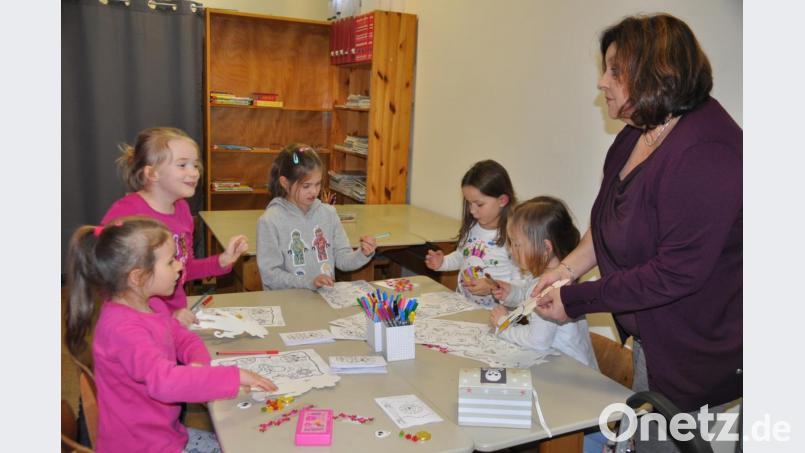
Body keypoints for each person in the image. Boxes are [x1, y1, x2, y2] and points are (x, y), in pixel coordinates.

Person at [532, 13, 742, 450]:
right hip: (653, 337)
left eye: (613, 70)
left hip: (694, 348)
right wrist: (567, 269)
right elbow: (608, 221)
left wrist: (574, 300)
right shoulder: (639, 132)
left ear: (654, 72)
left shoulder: (708, 151)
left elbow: (676, 273)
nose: (601, 82)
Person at [65, 217, 277, 453]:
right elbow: (164, 382)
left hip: (167, 434)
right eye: (170, 262)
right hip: (141, 447)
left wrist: (199, 364)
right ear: (138, 277)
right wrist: (232, 377)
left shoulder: (152, 304)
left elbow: (181, 337)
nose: (179, 266)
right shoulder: (122, 329)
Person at [102, 127, 248, 327]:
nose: (194, 173)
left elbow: (183, 268)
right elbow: (110, 280)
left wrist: (221, 261)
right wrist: (163, 317)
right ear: (152, 173)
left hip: (176, 321)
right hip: (140, 327)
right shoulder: (126, 214)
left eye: (195, 165)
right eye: (182, 165)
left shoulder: (182, 210)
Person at [488, 196, 598, 369]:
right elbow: (531, 299)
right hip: (565, 367)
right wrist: (512, 294)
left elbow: (538, 340)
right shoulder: (553, 276)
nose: (510, 250)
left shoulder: (550, 288)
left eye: (517, 244)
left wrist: (503, 325)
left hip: (571, 375)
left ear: (546, 248)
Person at [256, 144, 376, 290]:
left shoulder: (328, 214)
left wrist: (362, 253)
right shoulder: (270, 221)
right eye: (306, 186)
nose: (314, 191)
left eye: (318, 184)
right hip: (287, 303)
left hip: (323, 299)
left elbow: (343, 258)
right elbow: (271, 276)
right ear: (284, 182)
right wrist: (309, 282)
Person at [425, 160, 519, 308]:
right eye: (469, 203)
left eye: (479, 204)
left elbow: (520, 287)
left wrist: (493, 288)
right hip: (464, 305)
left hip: (496, 316)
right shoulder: (472, 227)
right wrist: (442, 263)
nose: (472, 210)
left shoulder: (515, 238)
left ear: (502, 200)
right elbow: (462, 256)